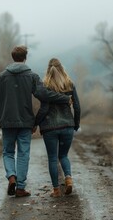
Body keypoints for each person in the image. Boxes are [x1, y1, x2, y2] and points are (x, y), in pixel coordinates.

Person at [0, 46, 71, 197]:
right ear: (25, 58)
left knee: (8, 152)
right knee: (23, 153)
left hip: (7, 121)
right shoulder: (32, 76)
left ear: (13, 57)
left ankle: (11, 176)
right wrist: (65, 98)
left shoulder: (1, 77)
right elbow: (44, 95)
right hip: (26, 121)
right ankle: (20, 187)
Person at [34, 58, 81, 197]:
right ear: (62, 68)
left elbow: (44, 109)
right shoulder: (70, 84)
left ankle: (55, 190)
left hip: (50, 127)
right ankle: (68, 178)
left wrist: (35, 123)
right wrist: (76, 123)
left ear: (49, 70)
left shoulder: (46, 86)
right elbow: (77, 107)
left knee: (53, 158)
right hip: (67, 125)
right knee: (64, 155)